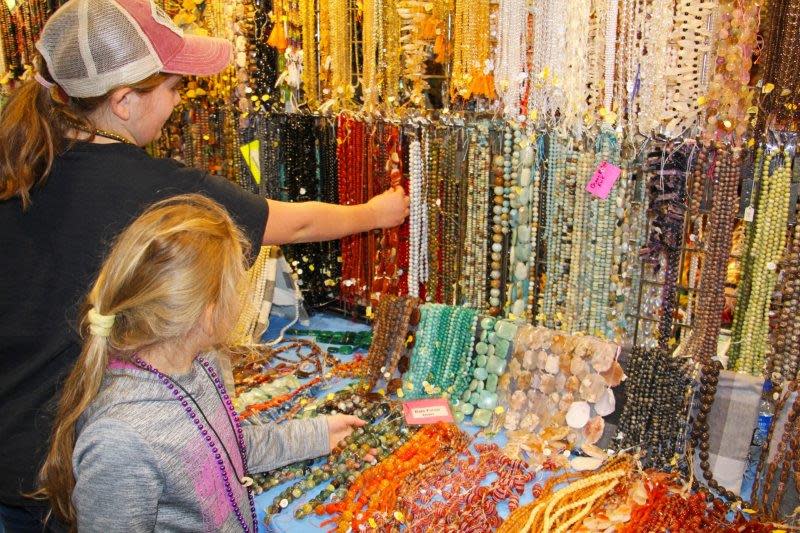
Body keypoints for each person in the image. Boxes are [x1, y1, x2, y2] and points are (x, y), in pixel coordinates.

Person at [0, 0, 408, 529]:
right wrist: (375, 213)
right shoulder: (165, 195)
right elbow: (297, 225)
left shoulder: (20, 164)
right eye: (174, 88)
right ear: (124, 101)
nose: (178, 101)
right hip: (83, 479)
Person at [37, 193, 367, 531]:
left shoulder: (201, 363)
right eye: (238, 288)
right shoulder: (121, 443)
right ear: (209, 313)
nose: (241, 299)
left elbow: (223, 449)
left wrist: (316, 434)